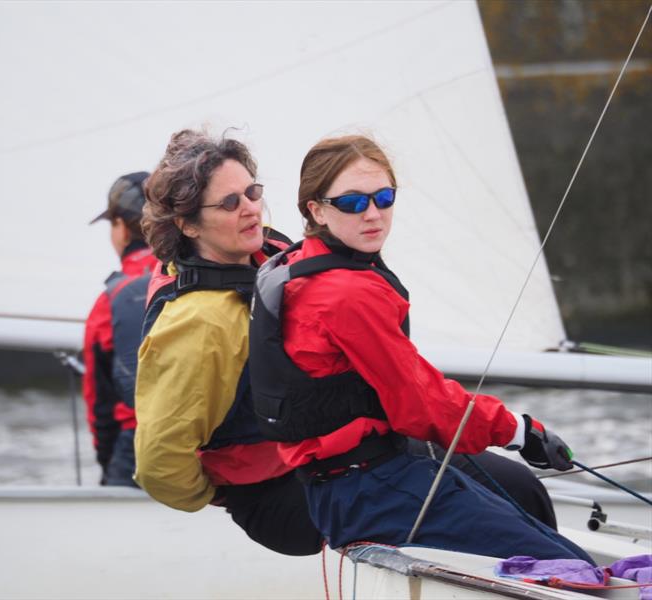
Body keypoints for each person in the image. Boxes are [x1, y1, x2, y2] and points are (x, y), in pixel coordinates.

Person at [249, 134, 593, 562]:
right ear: (316, 210)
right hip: (368, 491)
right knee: (570, 568)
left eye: (384, 197)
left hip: (357, 484)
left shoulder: (303, 264)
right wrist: (519, 431)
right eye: (353, 203)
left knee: (530, 505)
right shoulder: (345, 293)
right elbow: (420, 403)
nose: (373, 214)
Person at [133, 129, 323, 556]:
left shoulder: (264, 251)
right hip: (278, 495)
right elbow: (159, 462)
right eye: (230, 203)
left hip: (325, 455)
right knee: (469, 498)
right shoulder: (198, 323)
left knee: (488, 477)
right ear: (186, 223)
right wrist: (215, 494)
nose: (251, 209)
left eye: (252, 192)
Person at [82, 171, 158, 486]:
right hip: (206, 444)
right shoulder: (199, 276)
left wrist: (107, 461)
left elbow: (99, 400)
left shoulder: (108, 303)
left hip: (136, 449)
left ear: (122, 229)